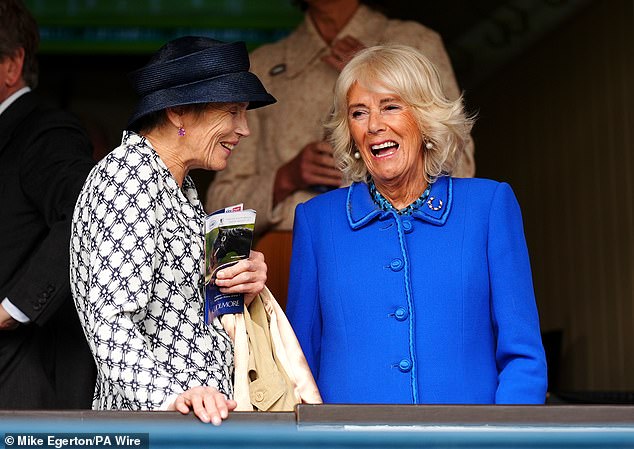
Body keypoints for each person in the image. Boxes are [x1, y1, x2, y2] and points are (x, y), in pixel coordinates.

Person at [286, 44, 547, 404]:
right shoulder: (317, 221)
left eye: (391, 106)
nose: (375, 125)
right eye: (358, 113)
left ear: (426, 118)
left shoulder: (488, 207)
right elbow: (297, 366)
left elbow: (524, 358)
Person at [205, 0, 475, 304]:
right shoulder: (265, 65)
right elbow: (220, 208)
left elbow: (460, 164)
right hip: (283, 255)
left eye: (389, 106)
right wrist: (285, 178)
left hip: (402, 241)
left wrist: (372, 75)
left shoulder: (417, 42)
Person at [70, 36, 276, 424]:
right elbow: (109, 321)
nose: (244, 129)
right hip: (157, 427)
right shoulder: (128, 178)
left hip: (197, 421)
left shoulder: (177, 186)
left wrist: (244, 286)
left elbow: (184, 316)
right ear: (179, 111)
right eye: (232, 111)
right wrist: (171, 400)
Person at [0, 0, 96, 409]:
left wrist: (8, 311)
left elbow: (83, 212)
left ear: (11, 64)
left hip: (24, 381)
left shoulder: (44, 130)